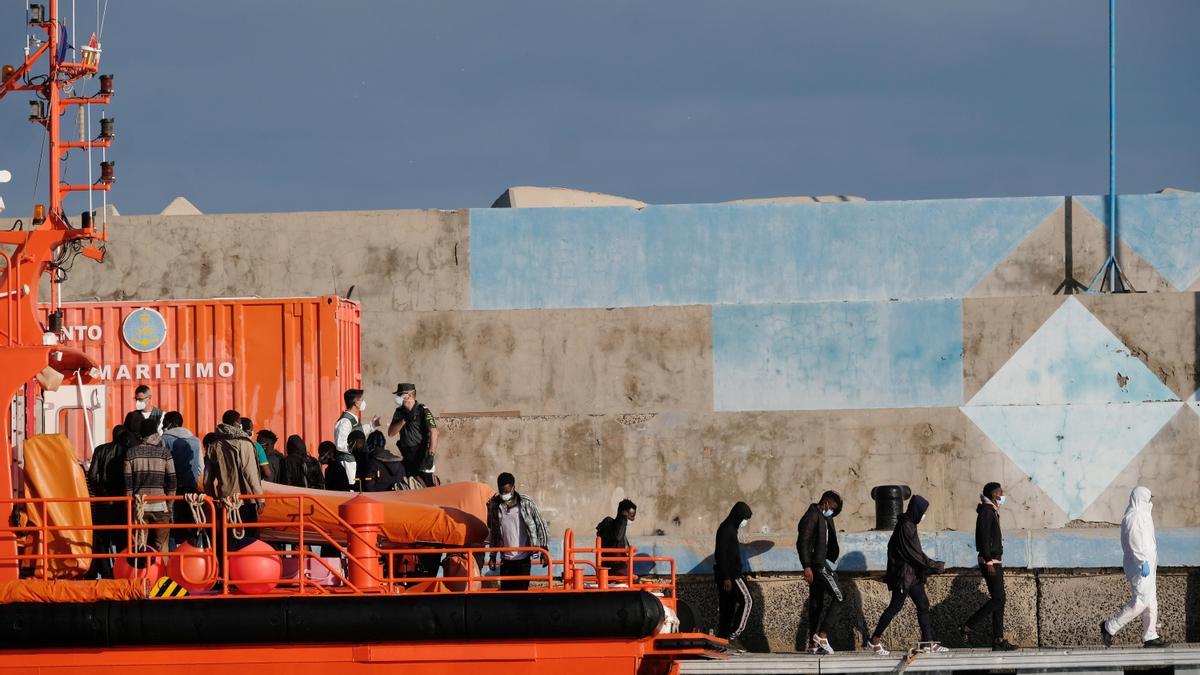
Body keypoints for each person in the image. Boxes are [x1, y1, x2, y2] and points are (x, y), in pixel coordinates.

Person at [867, 495, 947, 656]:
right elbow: (914, 554)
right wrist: (934, 565)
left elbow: (915, 554)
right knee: (895, 606)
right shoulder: (906, 526)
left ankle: (928, 643)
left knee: (923, 604)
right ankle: (874, 641)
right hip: (904, 576)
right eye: (923, 511)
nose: (923, 515)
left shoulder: (909, 524)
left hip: (913, 575)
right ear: (917, 510)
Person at [1101, 486, 1169, 648]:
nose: (1150, 501)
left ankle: (1150, 635)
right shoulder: (1134, 516)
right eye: (1148, 498)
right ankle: (1109, 626)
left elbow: (1147, 541)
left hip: (1148, 565)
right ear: (1141, 498)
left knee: (1151, 601)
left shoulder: (1143, 515)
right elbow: (1134, 541)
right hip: (1140, 567)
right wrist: (1142, 561)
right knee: (1141, 601)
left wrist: (1150, 561)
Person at [962, 482, 1018, 651]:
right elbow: (983, 537)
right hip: (991, 561)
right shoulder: (987, 511)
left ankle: (998, 639)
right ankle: (968, 626)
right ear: (994, 495)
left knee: (1000, 600)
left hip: (994, 559)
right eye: (1001, 492)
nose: (1003, 494)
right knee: (998, 599)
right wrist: (988, 560)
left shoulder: (991, 510)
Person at [203, 410, 266, 546]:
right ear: (237, 423)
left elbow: (207, 480)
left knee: (228, 541)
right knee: (250, 541)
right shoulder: (245, 444)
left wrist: (213, 500)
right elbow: (251, 474)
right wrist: (260, 499)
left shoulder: (214, 446)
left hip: (225, 501)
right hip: (246, 501)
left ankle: (228, 567)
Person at [797, 490, 844, 655]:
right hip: (817, 565)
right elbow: (802, 541)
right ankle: (822, 635)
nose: (832, 511)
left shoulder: (824, 516)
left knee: (817, 604)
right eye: (831, 507)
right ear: (824, 503)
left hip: (820, 562)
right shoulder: (812, 516)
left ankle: (812, 644)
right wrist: (806, 566)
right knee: (839, 597)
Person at [484, 472, 550, 591]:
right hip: (506, 559)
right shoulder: (494, 505)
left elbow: (541, 525)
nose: (504, 495)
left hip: (523, 558)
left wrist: (544, 549)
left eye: (507, 491)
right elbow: (494, 532)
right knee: (507, 595)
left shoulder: (526, 503)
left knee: (521, 594)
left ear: (513, 488)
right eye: (501, 491)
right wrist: (493, 556)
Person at [124, 416, 177, 552]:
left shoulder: (131, 453)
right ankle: (164, 572)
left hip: (140, 505)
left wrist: (130, 506)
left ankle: (140, 572)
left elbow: (128, 485)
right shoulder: (165, 453)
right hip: (161, 504)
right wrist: (169, 504)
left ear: (141, 434)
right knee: (162, 546)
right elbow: (172, 481)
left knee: (139, 547)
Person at [86, 424, 128, 577]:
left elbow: (91, 476)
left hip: (104, 500)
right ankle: (122, 572)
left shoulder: (100, 449)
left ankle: (106, 573)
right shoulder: (126, 451)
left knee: (103, 539)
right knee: (123, 539)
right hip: (122, 501)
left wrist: (99, 491)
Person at [714, 501, 754, 651]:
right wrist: (726, 577)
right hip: (732, 575)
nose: (744, 522)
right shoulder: (726, 530)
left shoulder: (729, 529)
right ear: (738, 516)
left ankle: (723, 640)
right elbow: (721, 555)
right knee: (748, 600)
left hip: (728, 575)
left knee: (728, 607)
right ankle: (733, 634)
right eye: (744, 519)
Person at [161, 411, 203, 545]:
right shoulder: (195, 440)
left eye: (164, 423)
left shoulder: (164, 439)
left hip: (172, 489)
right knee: (191, 523)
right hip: (191, 489)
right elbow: (200, 468)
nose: (162, 426)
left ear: (171, 424)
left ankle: (174, 557)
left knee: (172, 526)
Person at [387, 383, 439, 487]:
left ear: (409, 395)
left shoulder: (422, 410)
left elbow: (434, 432)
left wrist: (430, 455)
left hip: (421, 453)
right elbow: (391, 433)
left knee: (427, 485)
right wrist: (403, 420)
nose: (397, 397)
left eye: (400, 394)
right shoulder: (399, 412)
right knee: (411, 485)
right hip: (407, 454)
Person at [333, 388, 379, 488]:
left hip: (356, 463)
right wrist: (356, 448)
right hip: (349, 465)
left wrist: (372, 425)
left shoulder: (353, 419)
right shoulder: (345, 422)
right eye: (362, 399)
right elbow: (340, 445)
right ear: (356, 403)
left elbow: (358, 433)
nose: (363, 402)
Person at [596, 499, 637, 579]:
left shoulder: (619, 529)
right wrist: (623, 519)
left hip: (620, 570)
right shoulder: (610, 525)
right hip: (615, 571)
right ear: (623, 514)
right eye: (631, 516)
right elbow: (617, 536)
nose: (633, 519)